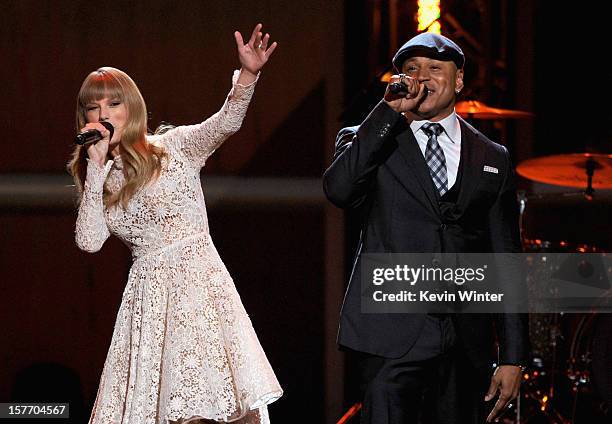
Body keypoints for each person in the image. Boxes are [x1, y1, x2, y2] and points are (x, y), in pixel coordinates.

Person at [67, 24, 282, 424]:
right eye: (93, 108)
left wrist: (248, 75)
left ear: (130, 107)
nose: (103, 115)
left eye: (113, 104)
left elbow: (225, 123)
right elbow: (90, 241)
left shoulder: (176, 147)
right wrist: (94, 167)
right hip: (149, 300)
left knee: (223, 409)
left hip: (200, 287)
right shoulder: (98, 177)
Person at [323, 32, 528, 423]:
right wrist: (387, 112)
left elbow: (507, 259)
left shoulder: (492, 156)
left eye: (435, 68)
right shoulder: (370, 137)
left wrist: (514, 355)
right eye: (412, 69)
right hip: (390, 333)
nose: (424, 77)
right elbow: (339, 190)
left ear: (459, 80)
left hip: (466, 338)